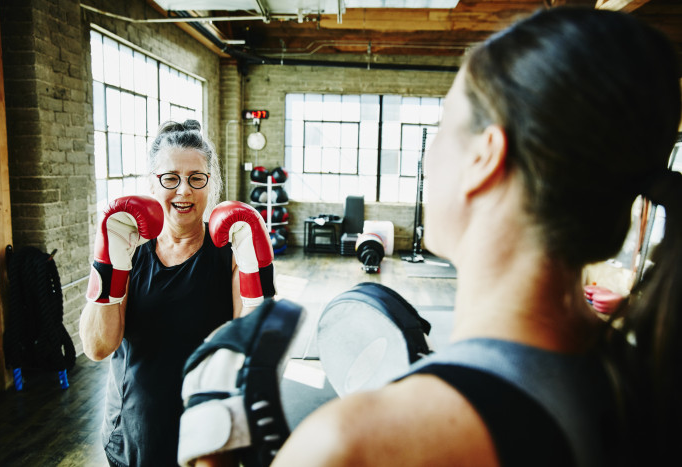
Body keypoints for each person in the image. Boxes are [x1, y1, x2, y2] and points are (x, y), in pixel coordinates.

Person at [263, 7, 681, 467]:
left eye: (443, 124)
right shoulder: (649, 384)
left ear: (485, 157)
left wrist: (215, 444)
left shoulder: (352, 441)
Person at [79, 120, 272, 467]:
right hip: (136, 429)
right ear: (152, 181)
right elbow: (97, 347)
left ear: (210, 184)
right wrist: (107, 264)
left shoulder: (229, 253)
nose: (184, 190)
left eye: (196, 178)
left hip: (209, 432)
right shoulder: (128, 249)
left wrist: (259, 279)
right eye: (170, 178)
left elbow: (254, 355)